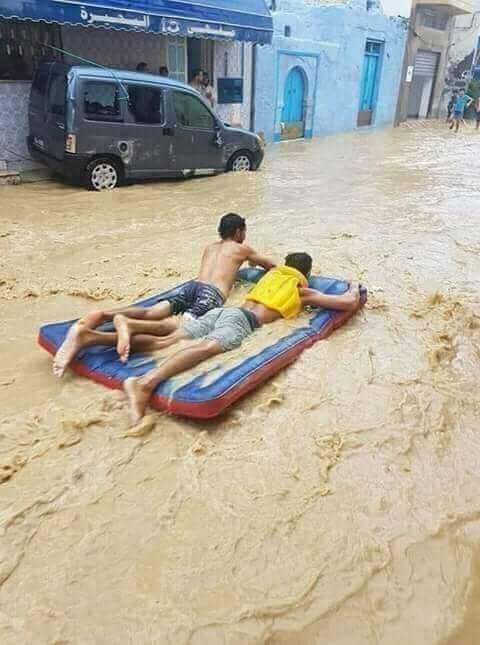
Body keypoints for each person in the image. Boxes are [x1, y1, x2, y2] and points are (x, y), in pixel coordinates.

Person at [120, 253, 361, 425]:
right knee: (206, 347)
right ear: (305, 274)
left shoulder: (269, 277)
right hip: (242, 321)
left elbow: (257, 266)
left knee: (168, 340)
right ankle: (145, 383)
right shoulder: (302, 291)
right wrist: (353, 286)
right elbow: (348, 303)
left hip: (223, 312)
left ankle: (116, 332)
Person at [53, 214, 275, 376]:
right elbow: (270, 265)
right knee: (179, 332)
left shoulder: (210, 247)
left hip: (192, 287)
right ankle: (125, 325)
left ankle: (103, 315)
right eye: (244, 231)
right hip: (211, 295)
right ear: (238, 231)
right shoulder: (242, 249)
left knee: (152, 312)